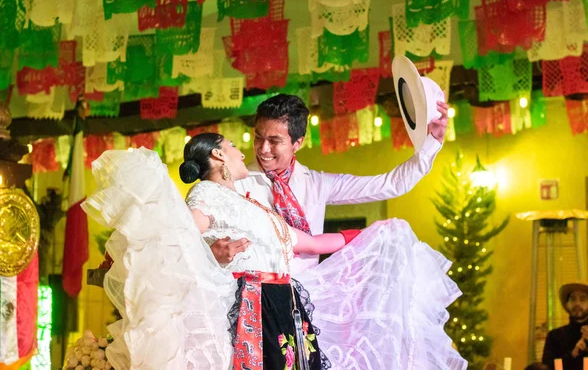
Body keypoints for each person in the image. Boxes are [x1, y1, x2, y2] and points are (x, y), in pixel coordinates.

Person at [82, 134, 467, 370]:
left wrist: (373, 234)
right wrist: (210, 251)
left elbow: (313, 243)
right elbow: (180, 235)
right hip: (251, 306)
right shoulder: (205, 194)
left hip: (284, 306)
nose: (241, 151)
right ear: (217, 157)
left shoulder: (255, 205)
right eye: (233, 146)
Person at [209, 94, 449, 272]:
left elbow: (391, 184)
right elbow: (202, 239)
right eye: (259, 138)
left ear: (298, 143)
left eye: (274, 141)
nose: (263, 149)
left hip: (309, 301)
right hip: (252, 304)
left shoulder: (317, 184)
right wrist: (213, 251)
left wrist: (433, 142)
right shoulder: (234, 184)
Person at [542, 281, 588, 369]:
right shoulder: (554, 336)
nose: (577, 303)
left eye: (582, 299)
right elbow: (547, 367)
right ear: (566, 304)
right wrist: (572, 354)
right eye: (573, 299)